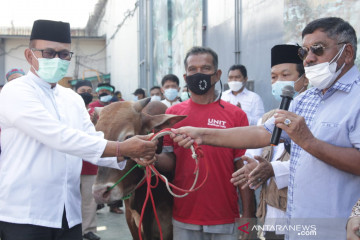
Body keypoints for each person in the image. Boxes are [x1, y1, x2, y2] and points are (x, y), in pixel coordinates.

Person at [170, 17, 360, 239]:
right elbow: (263, 133)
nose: (308, 59)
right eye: (304, 52)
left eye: (317, 50)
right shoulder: (306, 98)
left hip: (340, 228)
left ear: (347, 53)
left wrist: (308, 141)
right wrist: (201, 134)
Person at [0, 19, 157, 240]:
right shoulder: (15, 92)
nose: (57, 59)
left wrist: (134, 154)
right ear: (29, 55)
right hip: (25, 214)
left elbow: (90, 140)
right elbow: (58, 137)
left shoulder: (71, 99)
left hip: (68, 214)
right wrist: (124, 148)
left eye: (64, 54)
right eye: (49, 53)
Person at [157, 46, 256, 240]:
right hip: (184, 215)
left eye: (205, 68)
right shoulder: (172, 114)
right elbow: (170, 161)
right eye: (192, 69)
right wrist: (150, 155)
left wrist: (248, 216)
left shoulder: (236, 115)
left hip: (226, 217)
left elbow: (243, 167)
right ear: (185, 77)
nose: (198, 74)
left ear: (217, 74)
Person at [242, 44, 308, 240]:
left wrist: (273, 169)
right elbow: (252, 155)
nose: (279, 82)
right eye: (273, 77)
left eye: (285, 75)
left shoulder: (313, 115)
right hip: (269, 216)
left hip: (302, 219)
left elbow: (315, 163)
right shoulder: (268, 118)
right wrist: (252, 168)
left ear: (304, 79)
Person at [75, 80, 100, 240]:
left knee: (89, 199)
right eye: (82, 90)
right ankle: (73, 229)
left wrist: (95, 123)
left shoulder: (97, 112)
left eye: (89, 90)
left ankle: (88, 229)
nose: (86, 93)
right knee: (71, 198)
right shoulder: (68, 110)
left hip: (90, 163)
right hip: (72, 161)